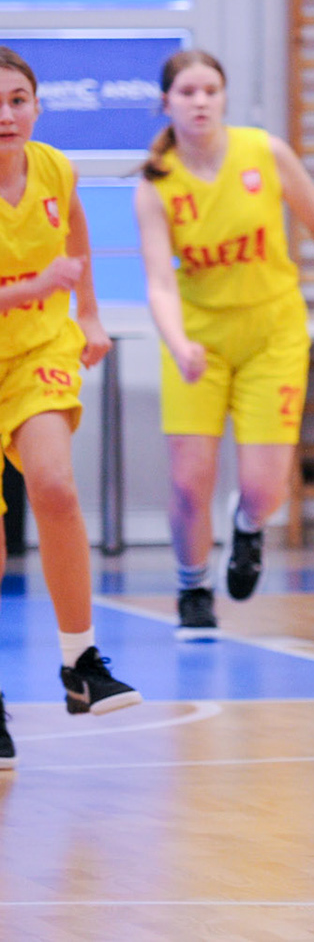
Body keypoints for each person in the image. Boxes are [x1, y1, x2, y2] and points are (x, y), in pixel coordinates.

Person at [133, 50, 314, 638]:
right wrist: (178, 343)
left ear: (224, 98)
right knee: (188, 481)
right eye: (187, 92)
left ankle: (247, 527)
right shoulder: (155, 184)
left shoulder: (265, 153)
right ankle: (193, 589)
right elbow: (160, 283)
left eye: (210, 90)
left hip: (272, 332)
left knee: (265, 489)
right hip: (200, 338)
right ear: (166, 103)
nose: (200, 101)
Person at [0, 48, 141, 768]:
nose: (6, 114)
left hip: (36, 353)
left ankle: (80, 662)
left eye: (17, 99)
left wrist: (87, 311)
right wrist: (33, 288)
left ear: (36, 105)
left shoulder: (54, 168)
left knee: (54, 484)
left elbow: (76, 232)